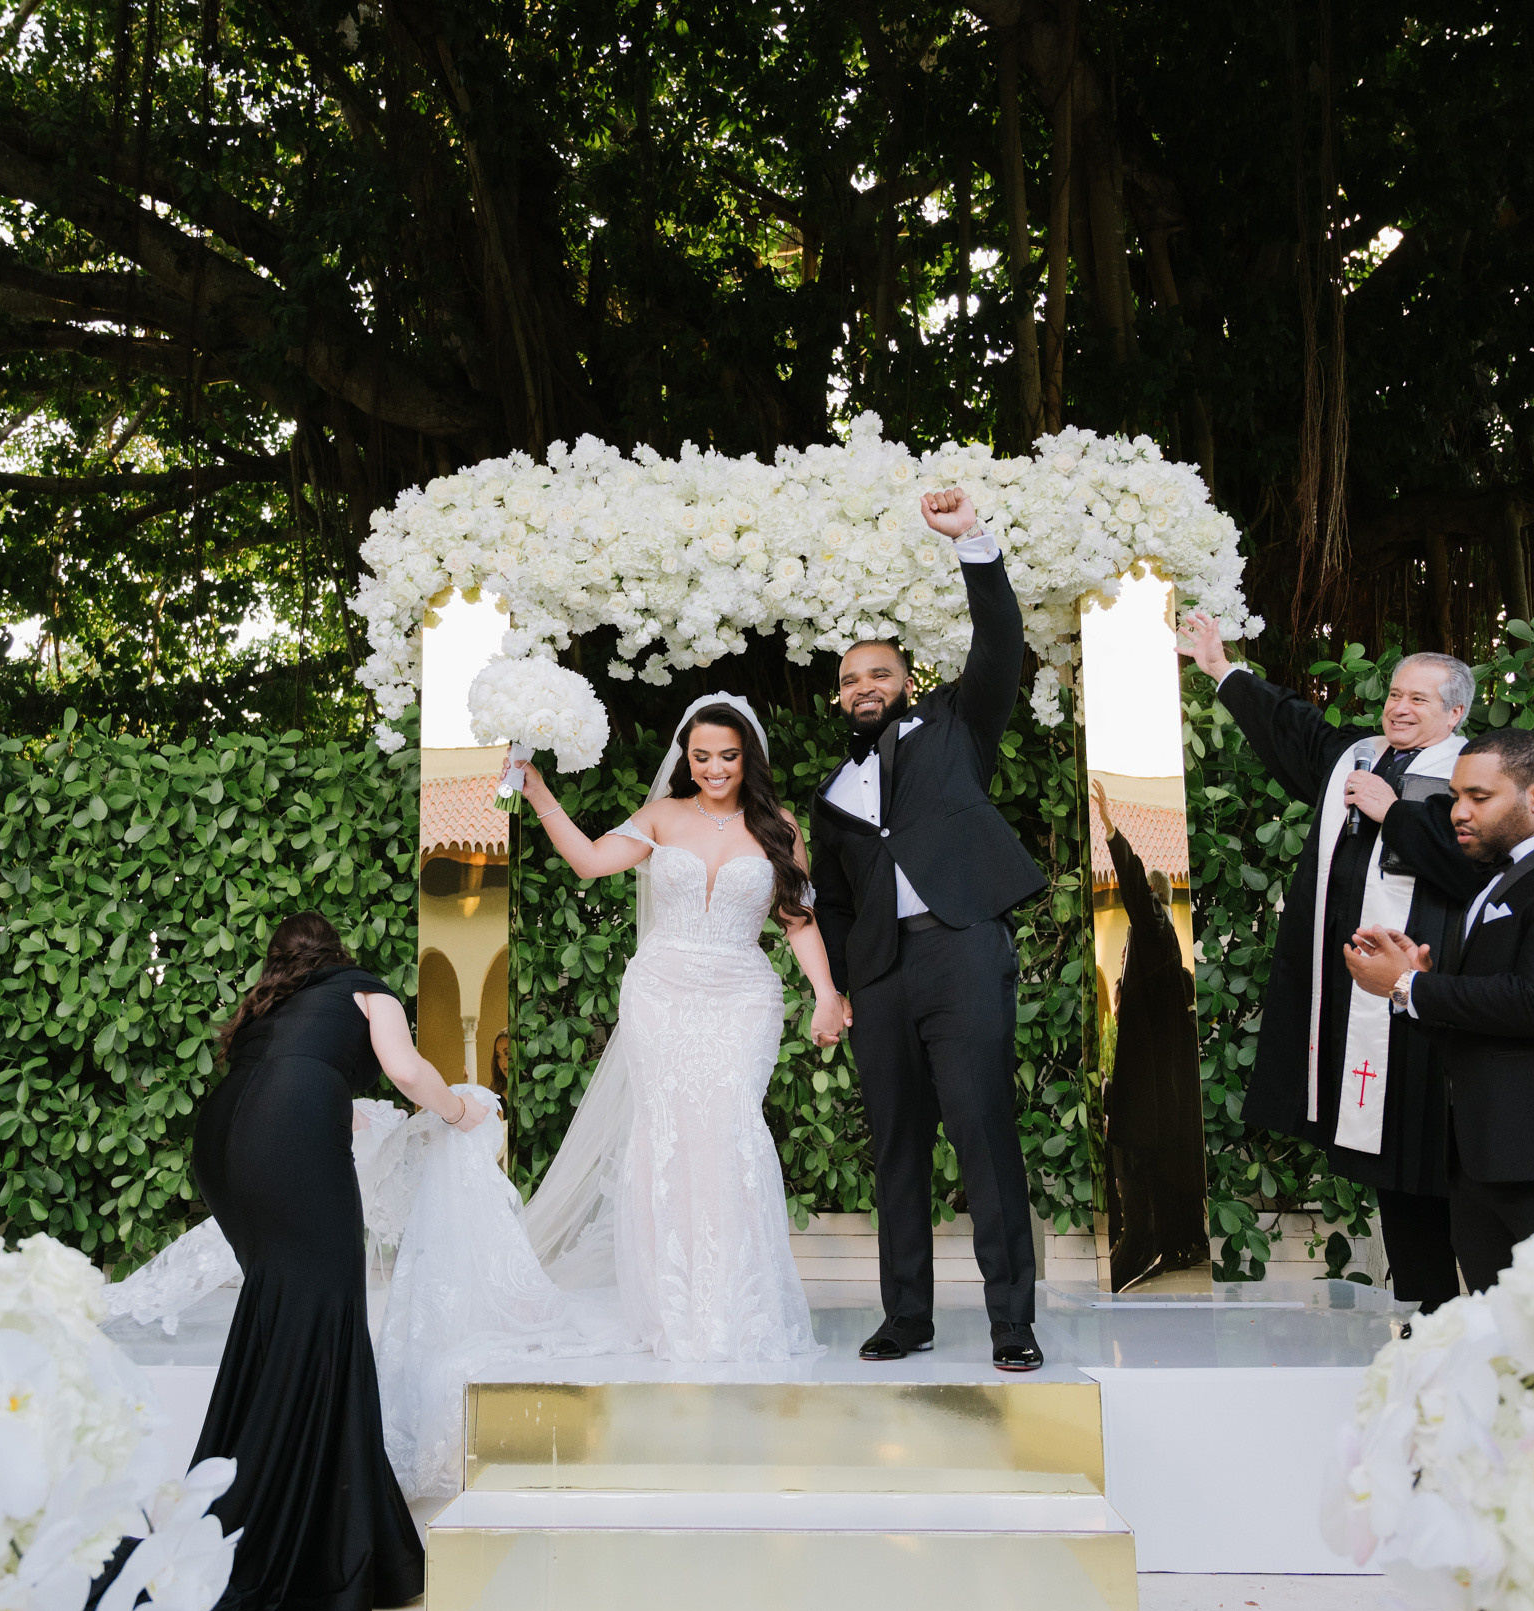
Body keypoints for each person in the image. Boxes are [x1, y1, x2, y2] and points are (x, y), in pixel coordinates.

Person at [504, 696, 829, 1364]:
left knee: (732, 1129)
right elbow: (592, 861)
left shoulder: (779, 825)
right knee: (669, 1136)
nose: (715, 768)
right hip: (662, 991)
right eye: (702, 755)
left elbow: (799, 920)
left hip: (742, 993)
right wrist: (536, 793)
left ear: (749, 758)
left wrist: (826, 994)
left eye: (729, 756)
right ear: (687, 756)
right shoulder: (661, 816)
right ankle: (671, 1308)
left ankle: (739, 1307)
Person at [807, 487, 1050, 1371]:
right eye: (848, 678)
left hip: (962, 951)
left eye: (878, 672)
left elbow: (1001, 645)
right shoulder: (830, 795)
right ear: (839, 699)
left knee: (984, 1133)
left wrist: (973, 542)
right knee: (897, 1151)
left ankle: (1012, 1324)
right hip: (881, 978)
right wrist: (843, 982)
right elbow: (830, 900)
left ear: (904, 681)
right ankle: (905, 1316)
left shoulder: (957, 724)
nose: (863, 686)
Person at [1174, 622, 1483, 1312]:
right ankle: (1424, 1313)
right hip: (1359, 1000)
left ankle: (1481, 1318)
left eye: (1420, 700)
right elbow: (1291, 726)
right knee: (1394, 1169)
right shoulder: (1358, 757)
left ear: (1456, 714)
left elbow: (1477, 868)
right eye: (1395, 694)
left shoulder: (1477, 776)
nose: (1399, 708)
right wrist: (1222, 667)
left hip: (1429, 999)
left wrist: (1396, 812)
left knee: (1441, 1163)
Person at [190, 910, 478, 1611]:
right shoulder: (365, 989)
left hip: (221, 1144)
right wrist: (457, 1109)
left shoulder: (269, 1005)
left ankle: (332, 1512)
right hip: (283, 1135)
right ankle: (285, 1530)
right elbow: (406, 1069)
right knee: (322, 1311)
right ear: (338, 953)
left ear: (278, 959)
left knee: (285, 1310)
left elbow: (285, 1079)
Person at [1340, 728, 1534, 1290]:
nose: (1460, 812)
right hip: (1483, 1161)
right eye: (1457, 796)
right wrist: (1426, 981)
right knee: (1504, 1348)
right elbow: (1489, 1009)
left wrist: (1408, 985)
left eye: (1479, 798)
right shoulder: (1494, 881)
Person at [1091, 787, 1206, 1287]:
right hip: (1152, 1090)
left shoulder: (1155, 929)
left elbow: (1136, 891)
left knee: (1137, 1177)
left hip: (1150, 1094)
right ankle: (1163, 1242)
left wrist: (1113, 833)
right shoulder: (1160, 950)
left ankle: (1142, 1246)